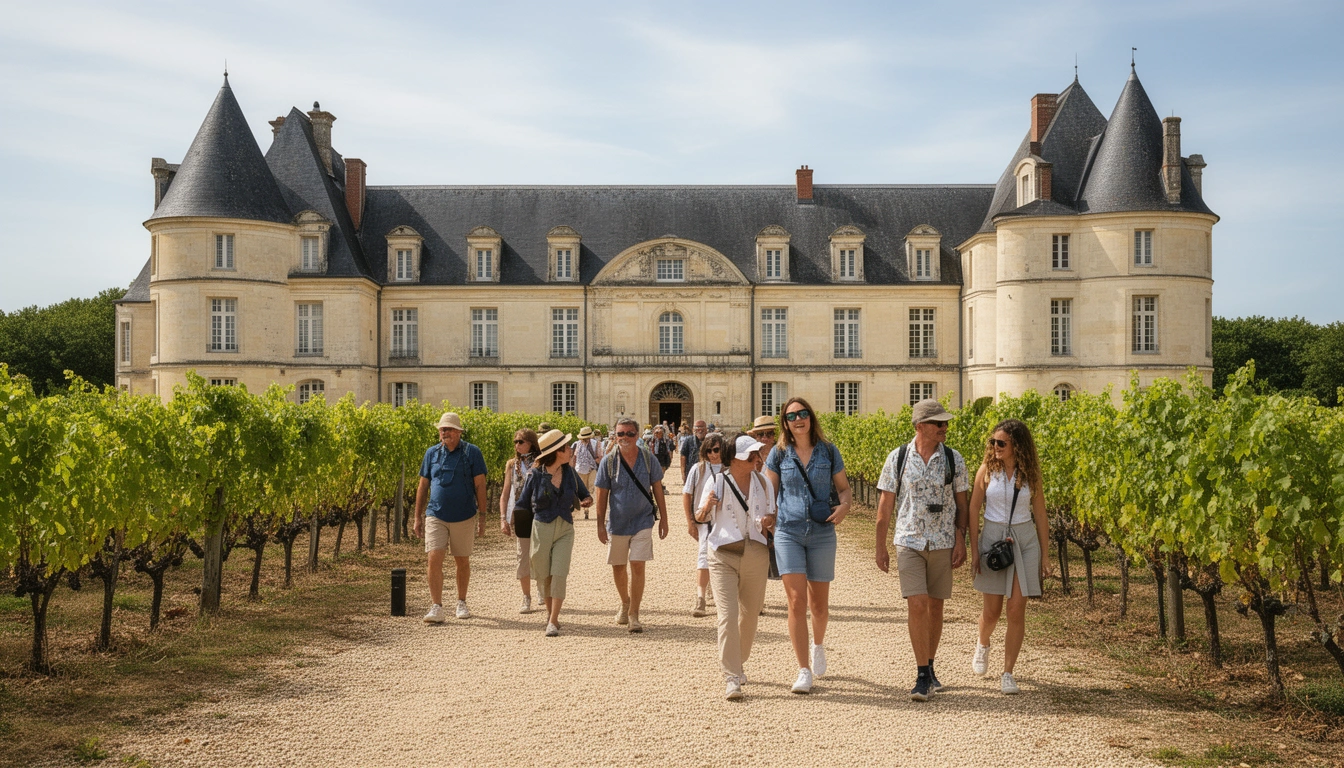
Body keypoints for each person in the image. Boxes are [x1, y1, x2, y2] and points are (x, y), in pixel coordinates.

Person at [874, 399, 970, 701]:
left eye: (945, 423)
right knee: (917, 604)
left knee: (936, 607)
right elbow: (885, 505)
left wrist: (961, 538)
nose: (944, 427)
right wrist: (880, 546)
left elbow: (963, 505)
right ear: (920, 426)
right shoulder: (898, 458)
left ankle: (930, 665)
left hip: (942, 541)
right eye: (938, 423)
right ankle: (921, 674)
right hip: (909, 541)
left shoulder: (954, 459)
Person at [764, 398, 852, 694]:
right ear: (785, 423)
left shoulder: (829, 451)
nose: (798, 419)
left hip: (822, 532)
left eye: (802, 414)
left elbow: (844, 489)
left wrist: (844, 507)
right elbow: (769, 493)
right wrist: (768, 517)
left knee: (819, 606)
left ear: (811, 417)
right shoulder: (778, 453)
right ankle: (803, 669)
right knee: (796, 601)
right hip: (788, 532)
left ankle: (818, 645)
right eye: (791, 416)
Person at [969, 418, 1051, 695]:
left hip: (1024, 541)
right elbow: (973, 510)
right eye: (993, 442)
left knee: (1016, 609)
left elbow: (1040, 515)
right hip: (993, 540)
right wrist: (974, 550)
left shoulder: (1030, 474)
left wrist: (1046, 556)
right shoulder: (986, 471)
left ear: (1017, 445)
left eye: (1001, 443)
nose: (995, 447)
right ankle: (983, 643)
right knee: (992, 612)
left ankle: (1008, 672)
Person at [695, 433, 777, 700]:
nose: (756, 458)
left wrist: (769, 521)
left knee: (750, 616)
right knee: (728, 616)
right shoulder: (717, 481)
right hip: (722, 554)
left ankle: (738, 662)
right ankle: (731, 676)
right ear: (735, 459)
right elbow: (700, 516)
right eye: (750, 455)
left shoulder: (764, 482)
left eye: (757, 454)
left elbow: (773, 515)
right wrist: (707, 505)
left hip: (756, 553)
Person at [514, 430, 593, 637]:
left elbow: (585, 494)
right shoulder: (535, 475)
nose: (570, 450)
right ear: (557, 452)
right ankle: (550, 615)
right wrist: (518, 529)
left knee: (559, 572)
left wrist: (587, 500)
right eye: (566, 447)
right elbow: (522, 504)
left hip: (565, 528)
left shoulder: (570, 473)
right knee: (545, 575)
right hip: (541, 528)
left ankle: (553, 619)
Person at [595, 417, 669, 633]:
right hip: (617, 522)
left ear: (637, 436)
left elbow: (657, 488)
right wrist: (600, 525)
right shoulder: (608, 461)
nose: (624, 437)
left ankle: (634, 613)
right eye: (620, 434)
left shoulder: (648, 459)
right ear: (615, 436)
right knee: (618, 566)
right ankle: (625, 602)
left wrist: (664, 519)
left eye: (629, 433)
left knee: (637, 564)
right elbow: (601, 495)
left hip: (642, 520)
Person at [414, 412, 488, 623]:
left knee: (462, 560)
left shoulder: (472, 452)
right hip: (436, 514)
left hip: (464, 515)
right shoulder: (431, 453)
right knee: (434, 558)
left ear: (458, 432)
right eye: (441, 429)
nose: (444, 432)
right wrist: (417, 517)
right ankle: (436, 606)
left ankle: (461, 601)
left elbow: (480, 485)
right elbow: (423, 485)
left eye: (447, 429)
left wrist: (483, 517)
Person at [682, 432, 727, 617]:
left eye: (716, 450)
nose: (713, 454)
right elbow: (687, 494)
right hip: (703, 519)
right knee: (703, 556)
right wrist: (690, 521)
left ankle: (717, 591)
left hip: (724, 520)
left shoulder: (729, 467)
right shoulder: (698, 469)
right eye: (709, 451)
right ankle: (700, 597)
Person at [499, 428, 543, 614]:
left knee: (540, 555)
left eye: (521, 442)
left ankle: (541, 588)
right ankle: (526, 597)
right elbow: (505, 493)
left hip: (541, 513)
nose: (517, 445)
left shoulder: (542, 461)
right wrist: (503, 518)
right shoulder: (512, 465)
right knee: (522, 557)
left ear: (531, 443)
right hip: (521, 515)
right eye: (515, 442)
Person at [572, 426, 604, 519]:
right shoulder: (576, 444)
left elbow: (600, 456)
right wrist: (572, 469)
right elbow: (574, 457)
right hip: (580, 469)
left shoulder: (596, 444)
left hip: (591, 469)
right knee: (583, 489)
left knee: (590, 488)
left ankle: (587, 509)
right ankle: (585, 509)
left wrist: (597, 462)